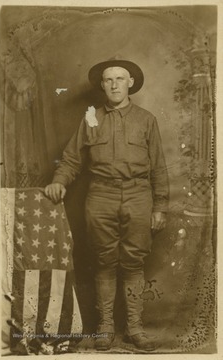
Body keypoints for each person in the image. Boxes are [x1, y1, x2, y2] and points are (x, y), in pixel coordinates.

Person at [45, 57, 169, 351]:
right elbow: (73, 158)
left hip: (139, 195)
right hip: (100, 196)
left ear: (131, 84)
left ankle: (135, 329)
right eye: (108, 80)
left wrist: (160, 206)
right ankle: (105, 328)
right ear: (102, 86)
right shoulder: (91, 117)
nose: (114, 84)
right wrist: (59, 180)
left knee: (133, 263)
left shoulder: (146, 119)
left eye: (120, 79)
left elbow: (159, 168)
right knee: (103, 262)